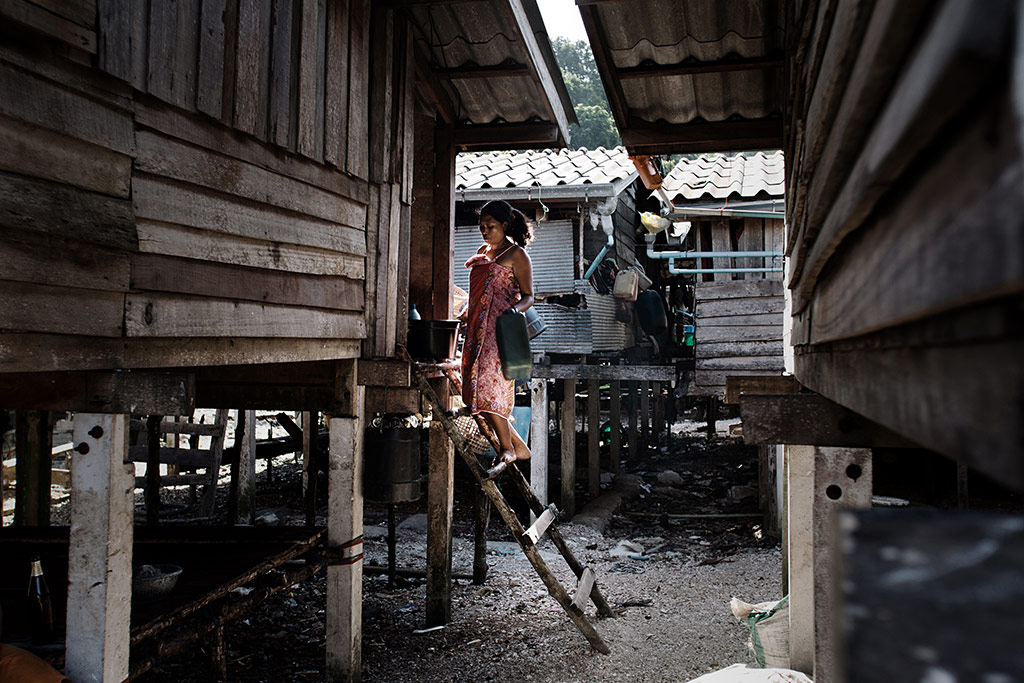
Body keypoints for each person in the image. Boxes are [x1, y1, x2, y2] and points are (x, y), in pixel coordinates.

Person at [461, 200, 535, 473]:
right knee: (473, 388)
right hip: (475, 331)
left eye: (490, 226)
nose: (485, 231)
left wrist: (514, 310)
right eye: (482, 227)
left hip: (500, 332)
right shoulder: (484, 252)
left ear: (505, 226)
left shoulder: (517, 255)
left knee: (490, 387)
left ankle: (507, 448)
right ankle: (518, 446)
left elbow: (529, 296)